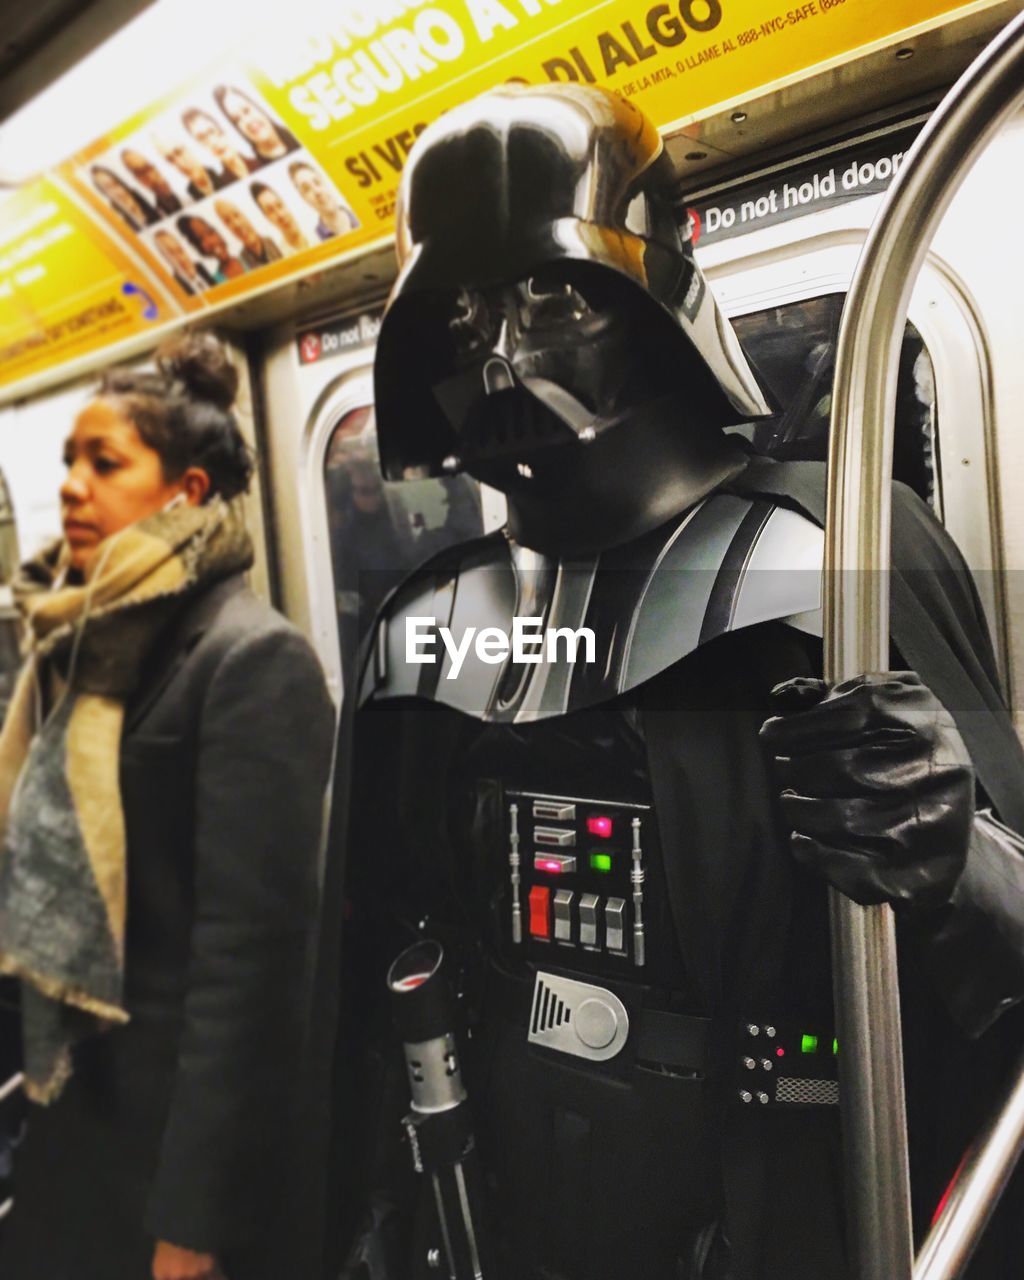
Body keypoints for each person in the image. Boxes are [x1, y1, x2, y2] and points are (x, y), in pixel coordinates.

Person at [328, 85, 1024, 1280]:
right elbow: (359, 967)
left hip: (794, 1203)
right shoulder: (428, 625)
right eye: (457, 311)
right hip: (503, 1207)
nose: (496, 351)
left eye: (546, 293)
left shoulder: (838, 555)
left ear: (653, 283)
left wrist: (952, 850)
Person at [0, 332, 335, 1280]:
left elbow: (250, 971)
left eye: (104, 462)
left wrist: (194, 1223)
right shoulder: (79, 648)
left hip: (167, 1158)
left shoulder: (249, 661)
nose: (71, 484)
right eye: (69, 460)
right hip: (69, 1109)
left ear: (186, 493)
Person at [213, 86, 299, 163]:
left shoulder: (298, 133)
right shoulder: (255, 167)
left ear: (258, 107)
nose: (247, 121)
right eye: (237, 120)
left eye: (246, 110)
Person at [182, 108, 261, 184]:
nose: (213, 142)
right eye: (202, 138)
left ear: (222, 129)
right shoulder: (221, 185)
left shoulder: (261, 161)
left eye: (211, 131)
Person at [288, 160, 359, 240]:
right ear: (303, 198)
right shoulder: (315, 241)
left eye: (317, 182)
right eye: (307, 189)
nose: (317, 191)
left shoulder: (361, 213)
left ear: (325, 182)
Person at [153, 133, 228, 202]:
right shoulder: (188, 197)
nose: (180, 163)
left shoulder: (224, 174)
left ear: (190, 147)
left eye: (179, 152)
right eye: (170, 160)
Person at [212, 198, 282, 270]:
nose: (237, 224)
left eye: (236, 215)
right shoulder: (242, 264)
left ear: (246, 214)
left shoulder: (278, 242)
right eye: (228, 221)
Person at [176, 215, 246, 283]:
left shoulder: (249, 255)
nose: (211, 242)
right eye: (200, 239)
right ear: (198, 248)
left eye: (210, 232)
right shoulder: (215, 282)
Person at [90, 164, 160, 232]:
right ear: (104, 193)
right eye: (108, 188)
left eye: (115, 184)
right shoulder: (116, 219)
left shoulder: (144, 195)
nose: (117, 192)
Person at [249, 181, 309, 252]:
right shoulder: (281, 256)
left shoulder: (319, 233)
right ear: (267, 218)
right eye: (271, 211)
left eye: (279, 205)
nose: (280, 215)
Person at [121, 148, 182, 217]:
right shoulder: (148, 213)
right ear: (136, 178)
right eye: (140, 172)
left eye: (148, 167)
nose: (149, 176)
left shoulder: (189, 188)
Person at [153, 228, 215, 295]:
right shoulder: (175, 289)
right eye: (171, 254)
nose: (180, 258)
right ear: (165, 259)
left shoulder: (203, 269)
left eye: (180, 250)